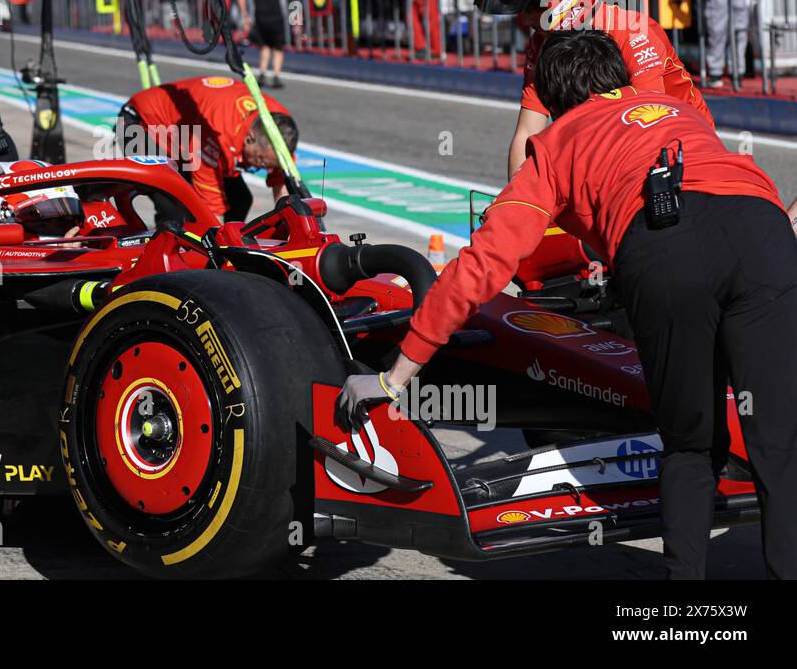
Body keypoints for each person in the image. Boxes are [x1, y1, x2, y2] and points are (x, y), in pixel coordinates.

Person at [337, 30, 797, 580]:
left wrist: (394, 377)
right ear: (620, 77)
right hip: (763, 231)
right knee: (779, 439)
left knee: (691, 446)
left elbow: (484, 264)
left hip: (665, 252)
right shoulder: (679, 111)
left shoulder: (556, 144)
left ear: (554, 104)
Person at [474, 0, 712, 179]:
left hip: (683, 153)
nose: (525, 17)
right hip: (606, 147)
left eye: (531, 5)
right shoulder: (541, 43)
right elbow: (527, 132)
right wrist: (517, 199)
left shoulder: (634, 32)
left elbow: (646, 125)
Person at [119, 75, 297, 222]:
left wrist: (290, 228)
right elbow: (211, 209)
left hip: (188, 134)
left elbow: (282, 186)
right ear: (250, 138)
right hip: (143, 124)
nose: (260, 168)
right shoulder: (219, 133)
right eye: (260, 161)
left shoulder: (280, 131)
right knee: (175, 208)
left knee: (240, 200)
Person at [240, 0, 293, 88]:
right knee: (278, 48)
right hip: (275, 19)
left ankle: (262, 73)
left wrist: (245, 16)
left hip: (260, 19)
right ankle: (276, 75)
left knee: (264, 47)